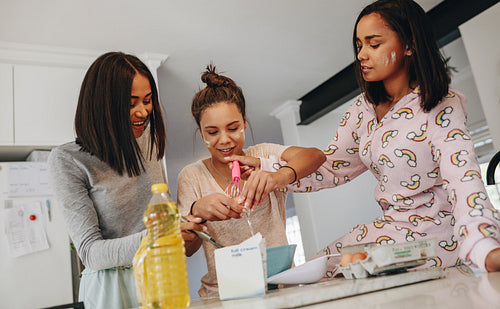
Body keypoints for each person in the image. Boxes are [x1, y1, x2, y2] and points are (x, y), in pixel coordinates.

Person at [238, 0, 500, 275]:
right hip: (392, 230)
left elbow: (463, 179)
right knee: (316, 270)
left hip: (439, 238)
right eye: (359, 45)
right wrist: (269, 170)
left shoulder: (441, 105)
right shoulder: (361, 111)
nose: (362, 54)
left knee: (335, 275)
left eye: (373, 44)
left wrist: (484, 247)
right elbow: (331, 166)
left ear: (409, 45)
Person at [48, 52, 205, 309]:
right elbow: (90, 253)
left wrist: (191, 221)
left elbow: (160, 216)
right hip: (111, 290)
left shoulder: (148, 141)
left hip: (161, 277)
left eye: (147, 100)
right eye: (131, 103)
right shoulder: (67, 160)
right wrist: (158, 236)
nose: (143, 111)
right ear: (102, 105)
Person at [176, 64, 326, 296]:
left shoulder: (263, 155)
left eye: (233, 127)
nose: (224, 140)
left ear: (244, 122)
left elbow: (316, 156)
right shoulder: (191, 176)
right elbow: (188, 249)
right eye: (212, 132)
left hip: (281, 287)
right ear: (201, 133)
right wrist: (198, 212)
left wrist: (276, 176)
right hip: (224, 294)